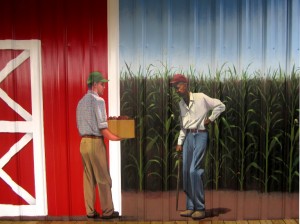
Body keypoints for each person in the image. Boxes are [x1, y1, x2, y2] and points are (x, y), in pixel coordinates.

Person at [170, 74, 225, 220]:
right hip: (187, 136)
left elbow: (220, 105)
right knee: (187, 172)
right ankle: (190, 207)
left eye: (178, 86)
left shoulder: (200, 97)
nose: (176, 90)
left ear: (185, 84)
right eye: (174, 87)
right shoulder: (181, 104)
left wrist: (211, 119)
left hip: (200, 135)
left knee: (195, 170)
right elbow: (183, 126)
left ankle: (200, 208)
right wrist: (179, 142)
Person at [76, 71, 121, 219]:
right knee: (103, 178)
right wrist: (117, 138)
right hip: (95, 142)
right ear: (95, 85)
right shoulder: (99, 101)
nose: (104, 87)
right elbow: (103, 128)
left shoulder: (80, 102)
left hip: (83, 143)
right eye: (102, 84)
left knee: (88, 178)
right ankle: (107, 211)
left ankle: (90, 211)